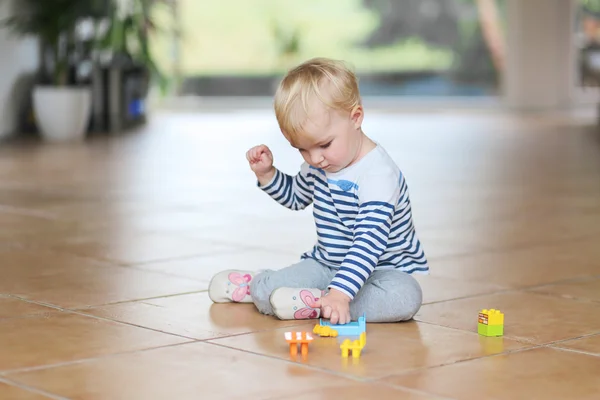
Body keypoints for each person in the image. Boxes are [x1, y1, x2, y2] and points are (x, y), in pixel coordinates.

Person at [208, 57, 428, 324]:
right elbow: (296, 198)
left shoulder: (379, 175)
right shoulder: (319, 164)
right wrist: (268, 175)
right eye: (303, 149)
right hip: (326, 264)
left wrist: (341, 293)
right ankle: (258, 286)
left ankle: (317, 301)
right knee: (270, 290)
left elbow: (368, 243)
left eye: (324, 145)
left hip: (381, 272)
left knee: (405, 298)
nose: (314, 159)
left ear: (355, 118)